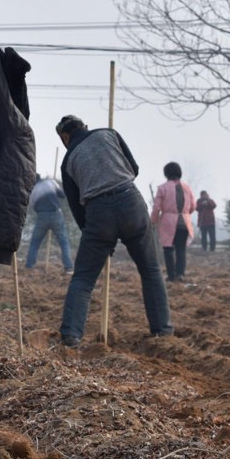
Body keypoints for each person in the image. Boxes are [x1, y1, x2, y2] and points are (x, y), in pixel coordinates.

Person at [54, 115, 172, 347]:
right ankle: (163, 330)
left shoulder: (68, 159)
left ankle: (71, 335)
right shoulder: (109, 134)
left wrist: (93, 236)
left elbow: (76, 206)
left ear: (65, 137)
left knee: (84, 278)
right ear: (84, 126)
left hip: (98, 213)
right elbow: (134, 168)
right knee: (150, 270)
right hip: (131, 202)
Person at [151, 162, 196, 283]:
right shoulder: (187, 187)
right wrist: (186, 213)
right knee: (181, 250)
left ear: (166, 173)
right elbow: (193, 205)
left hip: (168, 222)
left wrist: (153, 221)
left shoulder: (163, 188)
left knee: (168, 249)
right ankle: (180, 274)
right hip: (184, 222)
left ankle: (171, 275)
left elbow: (157, 208)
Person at [25, 174, 73, 271]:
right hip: (56, 214)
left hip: (42, 216)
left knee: (35, 242)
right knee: (64, 242)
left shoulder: (33, 191)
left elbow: (33, 207)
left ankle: (29, 266)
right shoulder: (50, 182)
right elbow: (62, 195)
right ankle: (68, 267)